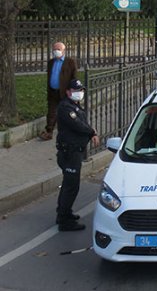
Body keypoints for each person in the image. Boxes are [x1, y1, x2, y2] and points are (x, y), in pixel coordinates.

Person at [55, 79, 99, 231]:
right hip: (69, 152)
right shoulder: (65, 108)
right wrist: (92, 132)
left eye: (81, 90)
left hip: (74, 151)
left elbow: (83, 124)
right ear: (68, 91)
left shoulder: (75, 106)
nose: (79, 93)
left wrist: (91, 132)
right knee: (71, 186)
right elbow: (77, 125)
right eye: (76, 90)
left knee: (68, 184)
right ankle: (64, 220)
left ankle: (63, 212)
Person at [40, 42, 78, 141]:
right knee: (51, 112)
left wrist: (71, 90)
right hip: (53, 91)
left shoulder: (70, 62)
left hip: (65, 92)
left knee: (67, 111)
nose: (56, 51)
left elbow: (74, 78)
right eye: (54, 49)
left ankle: (71, 131)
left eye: (58, 49)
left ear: (63, 51)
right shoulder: (51, 62)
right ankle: (49, 131)